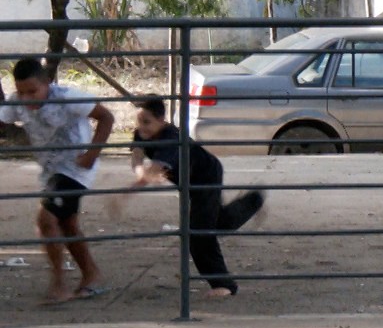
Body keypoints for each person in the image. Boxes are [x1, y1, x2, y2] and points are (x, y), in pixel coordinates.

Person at [1, 56, 114, 303]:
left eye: (33, 91)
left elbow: (106, 117)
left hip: (75, 169)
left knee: (46, 220)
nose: (28, 98)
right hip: (51, 171)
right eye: (22, 92)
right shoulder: (16, 103)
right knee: (67, 224)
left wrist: (91, 154)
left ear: (47, 83)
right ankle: (92, 275)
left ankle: (59, 283)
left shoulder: (68, 97)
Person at [128, 97, 265, 297]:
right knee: (219, 222)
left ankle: (224, 284)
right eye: (139, 121)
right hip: (191, 182)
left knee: (198, 234)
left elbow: (153, 171)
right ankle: (254, 200)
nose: (142, 128)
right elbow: (137, 157)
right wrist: (141, 172)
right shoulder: (142, 134)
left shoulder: (170, 138)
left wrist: (126, 193)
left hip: (205, 177)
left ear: (161, 120)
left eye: (147, 122)